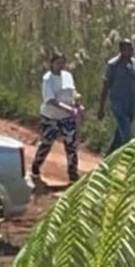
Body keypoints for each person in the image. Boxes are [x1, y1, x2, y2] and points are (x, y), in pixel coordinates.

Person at [30, 52, 80, 184]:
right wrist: (68, 109)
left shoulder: (68, 76)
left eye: (63, 62)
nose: (61, 65)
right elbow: (51, 100)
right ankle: (36, 167)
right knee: (47, 143)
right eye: (58, 63)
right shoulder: (48, 79)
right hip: (50, 117)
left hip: (67, 118)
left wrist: (77, 105)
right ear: (51, 64)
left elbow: (73, 93)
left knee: (71, 145)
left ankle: (73, 175)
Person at [97, 39, 135, 152]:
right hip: (117, 104)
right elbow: (106, 87)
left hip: (130, 104)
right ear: (121, 50)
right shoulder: (113, 65)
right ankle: (130, 159)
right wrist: (101, 108)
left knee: (119, 135)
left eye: (132, 49)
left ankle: (108, 158)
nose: (131, 51)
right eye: (128, 49)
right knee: (127, 135)